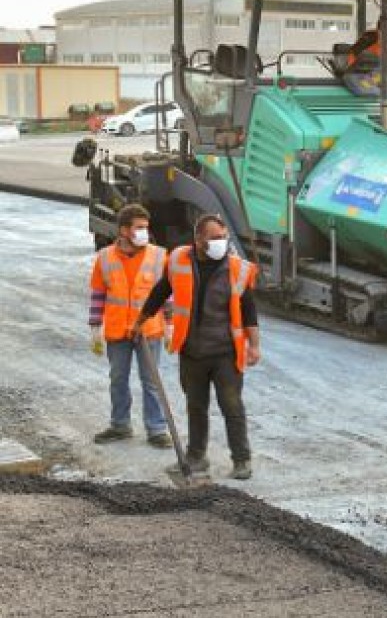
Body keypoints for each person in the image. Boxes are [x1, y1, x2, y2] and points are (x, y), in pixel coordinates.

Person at [133, 213, 261, 479]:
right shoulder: (179, 260)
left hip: (225, 353)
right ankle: (196, 457)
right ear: (198, 239)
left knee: (232, 406)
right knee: (196, 406)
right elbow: (161, 291)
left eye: (224, 237)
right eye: (215, 238)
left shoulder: (237, 269)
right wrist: (140, 321)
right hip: (192, 351)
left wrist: (254, 345)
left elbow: (249, 311)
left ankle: (242, 460)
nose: (221, 242)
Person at [88, 204, 171, 448]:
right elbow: (98, 294)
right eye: (139, 227)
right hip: (118, 330)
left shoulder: (159, 256)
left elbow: (168, 295)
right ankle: (120, 425)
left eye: (146, 227)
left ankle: (157, 429)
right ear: (124, 230)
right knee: (118, 379)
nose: (145, 232)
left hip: (148, 330)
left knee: (151, 381)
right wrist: (95, 326)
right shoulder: (105, 257)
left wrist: (170, 325)